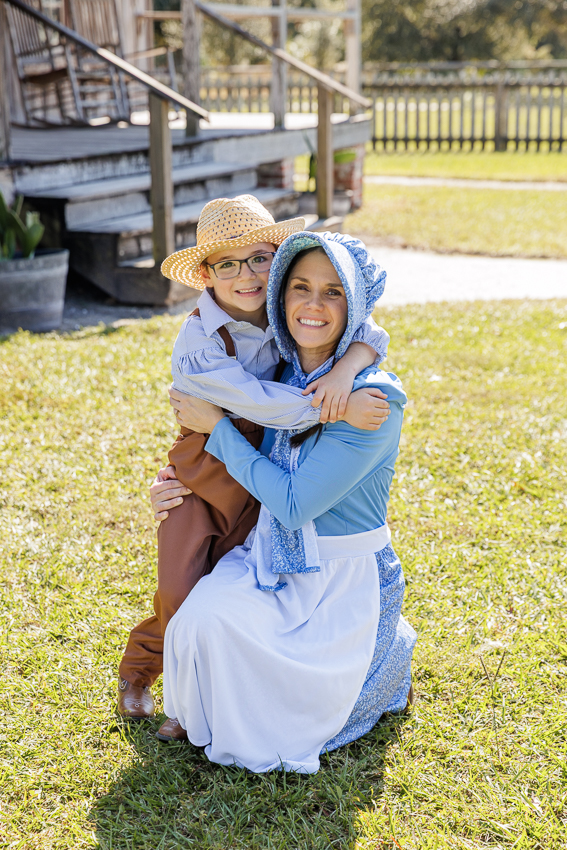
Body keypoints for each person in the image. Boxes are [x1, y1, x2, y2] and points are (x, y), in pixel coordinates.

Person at [117, 195, 392, 739]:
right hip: (203, 475)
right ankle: (137, 669)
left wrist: (348, 370)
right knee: (178, 589)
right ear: (204, 273)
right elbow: (261, 406)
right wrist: (335, 403)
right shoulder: (197, 342)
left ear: (277, 259)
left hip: (260, 474)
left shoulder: (288, 308)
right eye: (227, 263)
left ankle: (192, 699)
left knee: (221, 588)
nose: (246, 275)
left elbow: (371, 332)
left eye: (260, 258)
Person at [161, 230, 417, 773]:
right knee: (200, 620)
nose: (314, 306)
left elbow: (296, 503)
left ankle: (386, 660)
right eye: (300, 287)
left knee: (279, 730)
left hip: (341, 577)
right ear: (280, 298)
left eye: (334, 293)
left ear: (356, 304)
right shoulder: (281, 369)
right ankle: (199, 704)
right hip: (270, 554)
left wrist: (219, 430)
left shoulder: (373, 399)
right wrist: (170, 477)